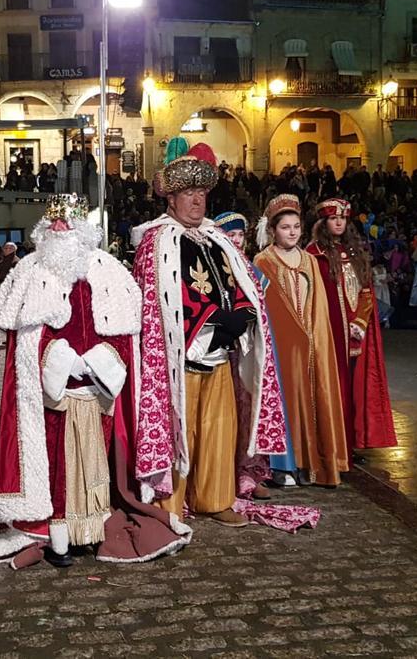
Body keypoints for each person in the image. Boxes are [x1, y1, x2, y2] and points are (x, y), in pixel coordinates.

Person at [0, 194, 191, 568]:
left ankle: (92, 530)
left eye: (68, 223)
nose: (61, 229)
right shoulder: (28, 271)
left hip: (97, 391)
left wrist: (97, 362)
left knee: (95, 465)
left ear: (84, 229)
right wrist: (57, 360)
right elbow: (24, 341)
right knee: (55, 464)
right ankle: (57, 533)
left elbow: (124, 335)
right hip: (51, 394)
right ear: (44, 230)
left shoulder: (108, 271)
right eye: (55, 224)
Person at [131, 140, 317, 533]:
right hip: (179, 358)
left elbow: (241, 280)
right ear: (172, 199)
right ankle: (172, 503)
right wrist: (215, 318)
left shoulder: (215, 238)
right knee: (183, 429)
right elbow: (161, 301)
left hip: (220, 352)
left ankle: (214, 498)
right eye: (188, 194)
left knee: (219, 427)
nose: (197, 201)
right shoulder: (157, 241)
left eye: (201, 194)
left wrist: (246, 312)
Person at [254, 196, 349, 487]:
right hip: (282, 348)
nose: (292, 232)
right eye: (285, 227)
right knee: (287, 400)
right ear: (273, 230)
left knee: (315, 396)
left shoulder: (309, 260)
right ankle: (287, 465)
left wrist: (316, 339)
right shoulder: (264, 261)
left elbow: (318, 304)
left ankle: (316, 461)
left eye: (296, 226)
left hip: (311, 343)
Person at [306, 198, 396, 465]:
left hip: (355, 334)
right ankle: (330, 446)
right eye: (334, 219)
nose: (338, 223)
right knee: (333, 389)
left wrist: (360, 323)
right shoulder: (314, 255)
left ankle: (350, 443)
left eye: (343, 219)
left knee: (354, 391)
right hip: (329, 334)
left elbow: (367, 292)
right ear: (323, 222)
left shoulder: (354, 252)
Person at [218, 209, 298, 489]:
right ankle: (221, 472)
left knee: (247, 410)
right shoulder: (216, 264)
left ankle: (248, 469)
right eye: (231, 235)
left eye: (241, 235)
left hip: (248, 350)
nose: (237, 240)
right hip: (220, 351)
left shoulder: (250, 268)